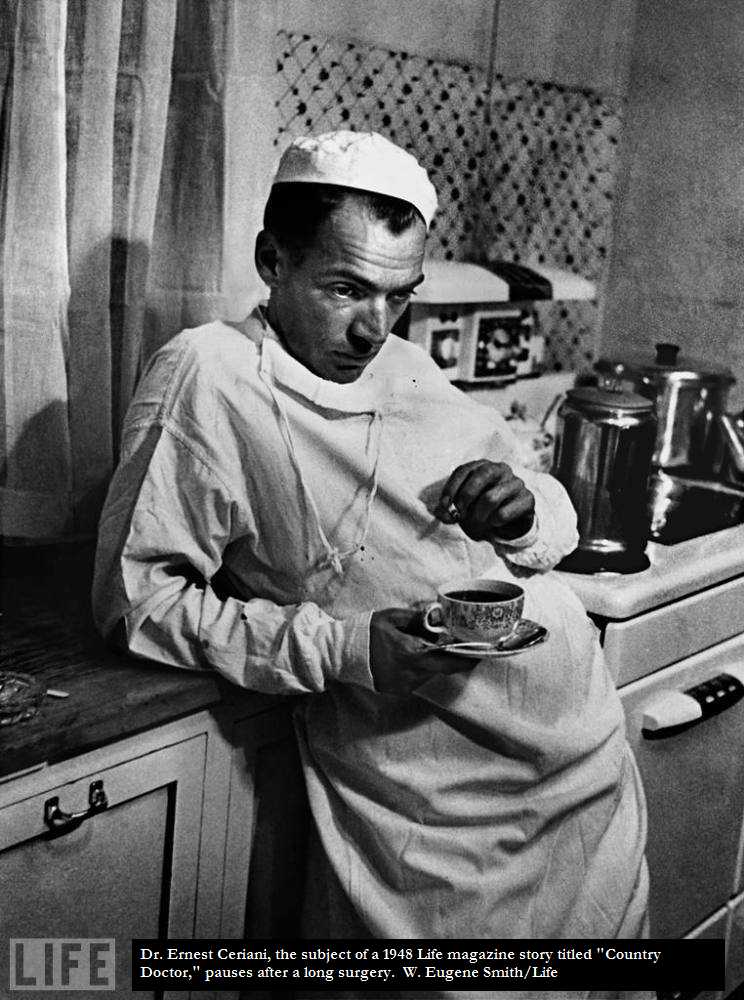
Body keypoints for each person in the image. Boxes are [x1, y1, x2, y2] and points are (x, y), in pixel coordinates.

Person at [93, 131, 649, 998]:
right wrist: (344, 650)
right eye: (347, 288)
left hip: (580, 763)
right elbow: (137, 597)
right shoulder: (211, 375)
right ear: (272, 261)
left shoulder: (407, 366)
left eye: (400, 296)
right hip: (436, 807)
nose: (373, 328)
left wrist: (522, 506)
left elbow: (546, 521)